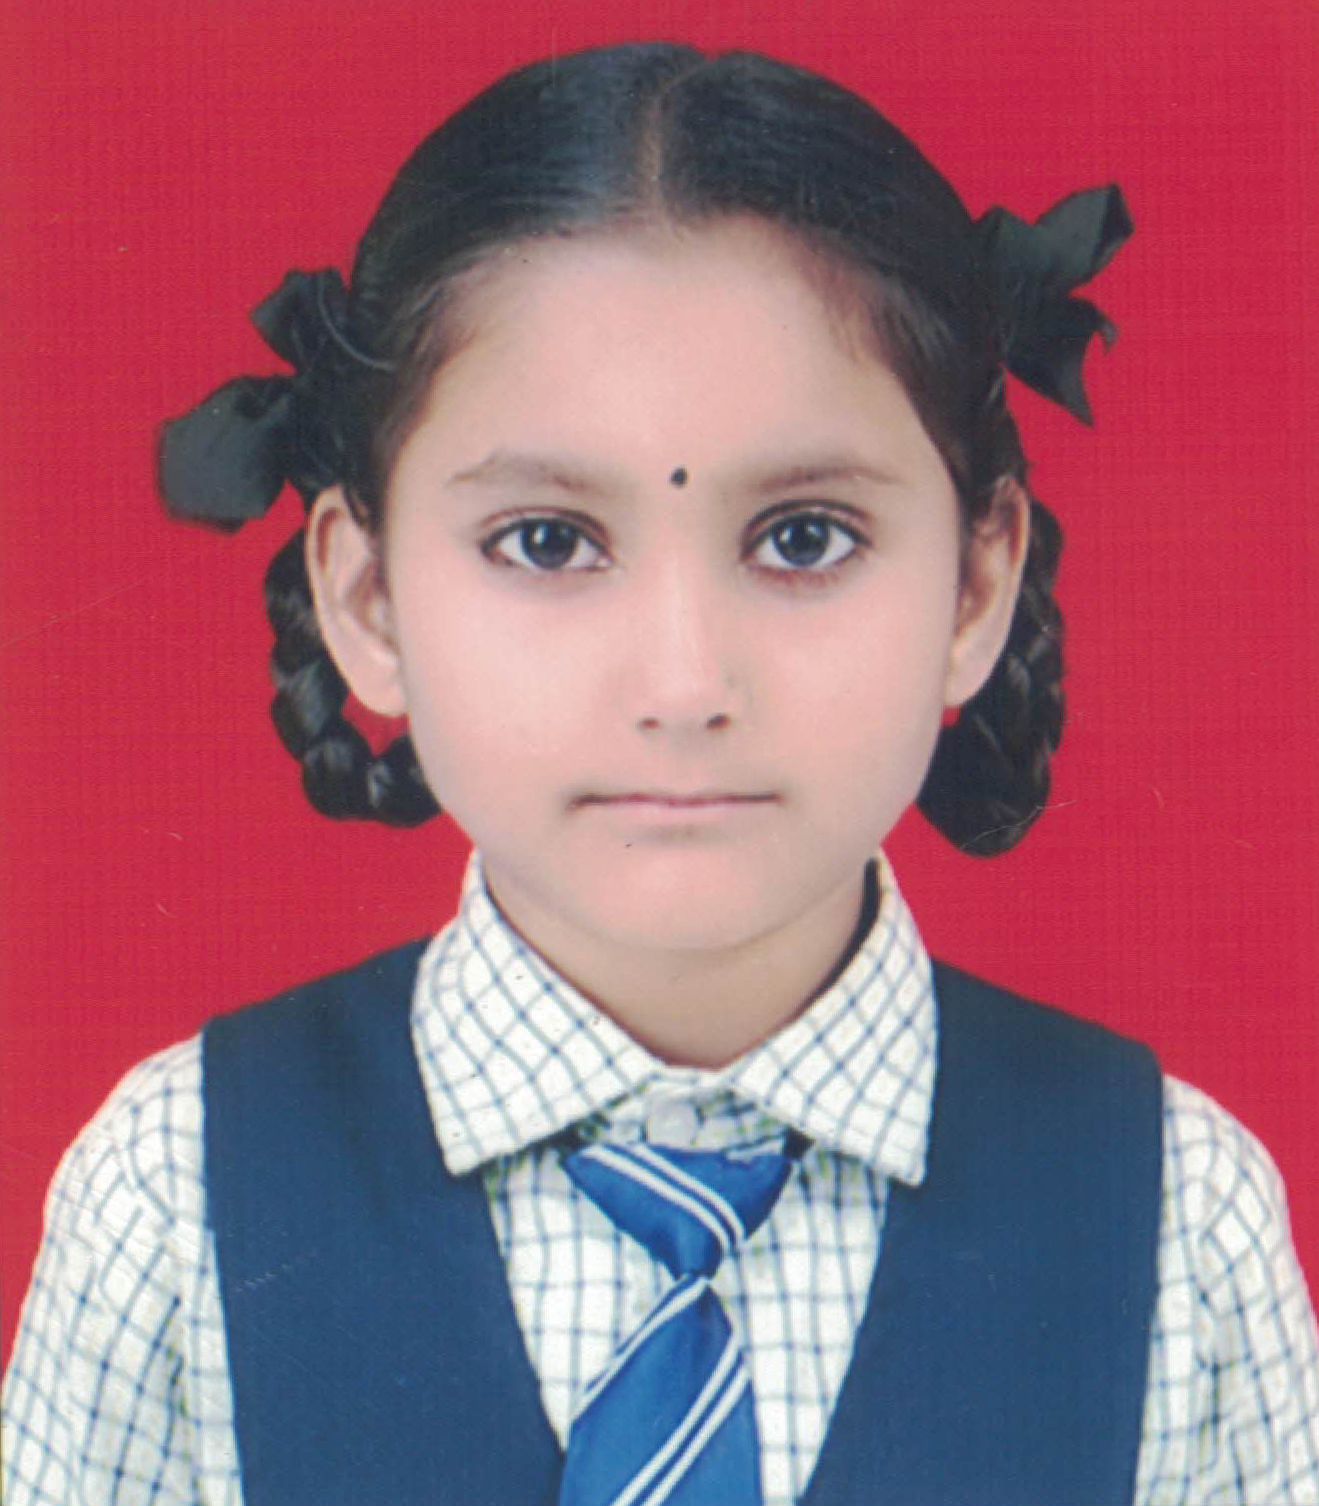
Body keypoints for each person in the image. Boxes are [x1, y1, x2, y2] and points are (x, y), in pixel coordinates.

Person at [3, 43, 1317, 1506]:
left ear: (974, 583)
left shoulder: (1179, 1225)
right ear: (366, 600)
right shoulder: (173, 1200)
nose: (685, 685)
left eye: (805, 537)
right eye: (548, 541)